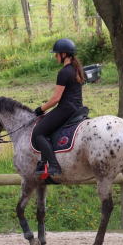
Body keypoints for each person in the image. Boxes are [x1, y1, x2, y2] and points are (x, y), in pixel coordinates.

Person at [32, 38, 86, 176]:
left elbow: (55, 99)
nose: (55, 56)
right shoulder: (76, 69)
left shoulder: (63, 73)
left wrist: (41, 109)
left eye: (56, 54)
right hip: (77, 108)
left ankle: (54, 166)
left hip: (66, 109)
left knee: (38, 132)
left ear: (63, 54)